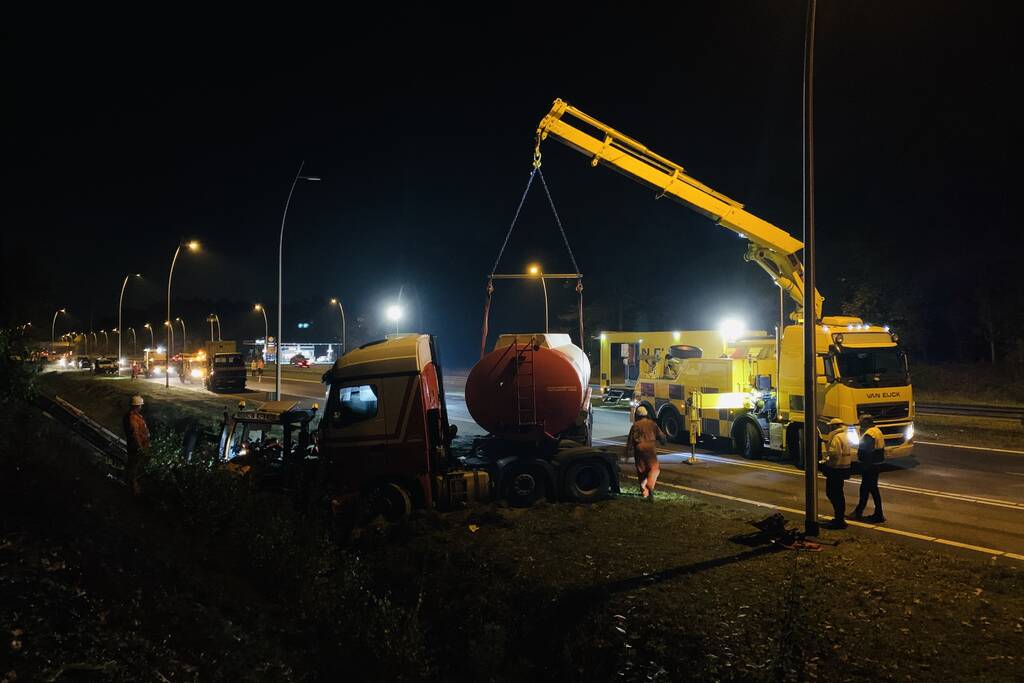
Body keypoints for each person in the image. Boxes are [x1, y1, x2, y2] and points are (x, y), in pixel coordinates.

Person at [626, 406, 667, 500]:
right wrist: (664, 441)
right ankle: (649, 487)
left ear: (637, 415)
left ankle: (645, 493)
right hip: (650, 449)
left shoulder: (635, 425)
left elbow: (630, 442)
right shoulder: (652, 424)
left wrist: (627, 453)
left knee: (642, 472)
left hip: (639, 450)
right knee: (654, 469)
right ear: (646, 414)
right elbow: (661, 436)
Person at [852, 414, 886, 523]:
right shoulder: (877, 431)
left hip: (869, 466)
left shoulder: (869, 434)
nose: (860, 424)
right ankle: (860, 511)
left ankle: (876, 514)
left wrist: (864, 466)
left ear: (866, 422)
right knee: (868, 489)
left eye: (861, 422)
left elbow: (867, 451)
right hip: (876, 465)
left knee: (869, 489)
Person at [821, 418, 852, 529]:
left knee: (832, 494)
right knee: (839, 494)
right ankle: (839, 518)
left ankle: (839, 520)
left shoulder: (836, 437)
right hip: (844, 468)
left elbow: (834, 455)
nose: (830, 428)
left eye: (831, 426)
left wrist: (827, 464)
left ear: (834, 426)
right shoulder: (845, 436)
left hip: (835, 470)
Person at [122, 395, 151, 496]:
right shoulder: (132, 418)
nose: (141, 407)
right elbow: (135, 434)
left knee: (136, 466)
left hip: (138, 446)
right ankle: (134, 491)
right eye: (140, 405)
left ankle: (135, 487)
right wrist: (140, 448)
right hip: (137, 447)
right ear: (137, 406)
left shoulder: (135, 416)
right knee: (134, 468)